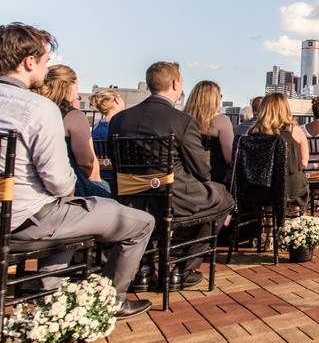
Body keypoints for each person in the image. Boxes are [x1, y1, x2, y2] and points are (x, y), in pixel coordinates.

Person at [0, 23, 154, 318]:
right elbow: (59, 183)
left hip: (20, 215)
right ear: (28, 62)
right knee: (140, 222)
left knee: (66, 211)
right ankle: (111, 299)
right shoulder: (37, 108)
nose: (46, 69)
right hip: (25, 221)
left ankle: (49, 290)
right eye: (45, 61)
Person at [109, 62, 234, 289]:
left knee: (152, 210)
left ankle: (145, 270)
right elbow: (202, 171)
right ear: (175, 83)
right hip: (171, 197)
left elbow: (116, 162)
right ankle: (182, 269)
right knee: (224, 198)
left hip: (129, 199)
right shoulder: (182, 121)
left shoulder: (119, 119)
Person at [37, 64, 110, 198]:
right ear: (68, 86)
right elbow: (86, 163)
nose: (78, 91)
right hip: (70, 187)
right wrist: (99, 183)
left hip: (37, 186)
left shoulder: (36, 110)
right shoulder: (74, 116)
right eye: (77, 85)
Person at [246, 93, 310, 213]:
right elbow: (304, 162)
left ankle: (267, 226)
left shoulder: (254, 132)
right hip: (290, 187)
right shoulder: (295, 131)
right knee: (298, 183)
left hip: (262, 188)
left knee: (267, 193)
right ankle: (293, 220)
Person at [184, 81, 235, 185]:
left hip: (186, 180)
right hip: (213, 181)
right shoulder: (222, 121)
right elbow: (229, 158)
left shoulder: (182, 119)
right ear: (214, 100)